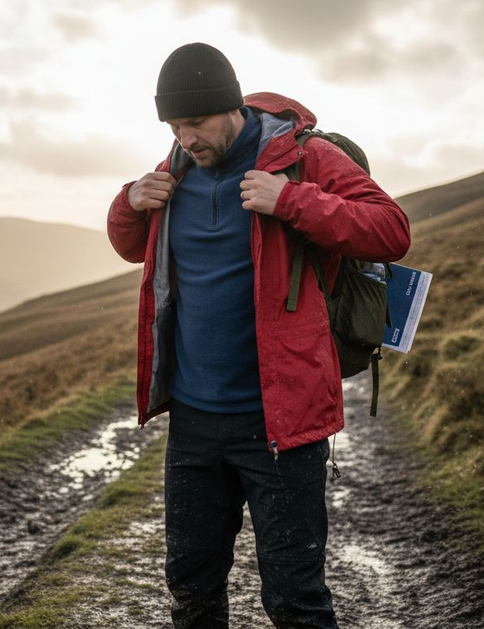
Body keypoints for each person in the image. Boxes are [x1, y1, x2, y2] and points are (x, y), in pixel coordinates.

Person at [106, 42, 411, 628]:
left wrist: (293, 201)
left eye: (194, 123)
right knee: (191, 590)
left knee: (295, 599)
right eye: (172, 125)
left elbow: (390, 229)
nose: (184, 137)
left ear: (231, 108)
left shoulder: (304, 158)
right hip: (194, 424)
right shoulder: (176, 164)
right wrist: (129, 202)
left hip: (281, 424)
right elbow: (130, 246)